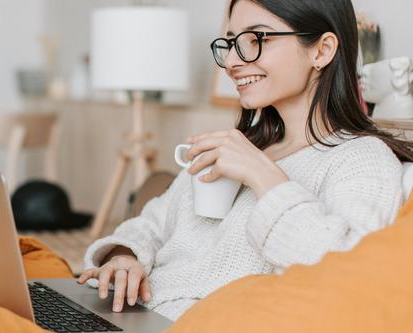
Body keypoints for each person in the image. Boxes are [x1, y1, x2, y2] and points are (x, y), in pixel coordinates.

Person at [77, 0, 413, 321]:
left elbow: (348, 275)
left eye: (256, 39)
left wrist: (263, 176)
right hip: (132, 313)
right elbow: (152, 222)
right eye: (232, 42)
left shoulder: (360, 159)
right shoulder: (241, 144)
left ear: (322, 50)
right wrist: (125, 256)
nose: (233, 62)